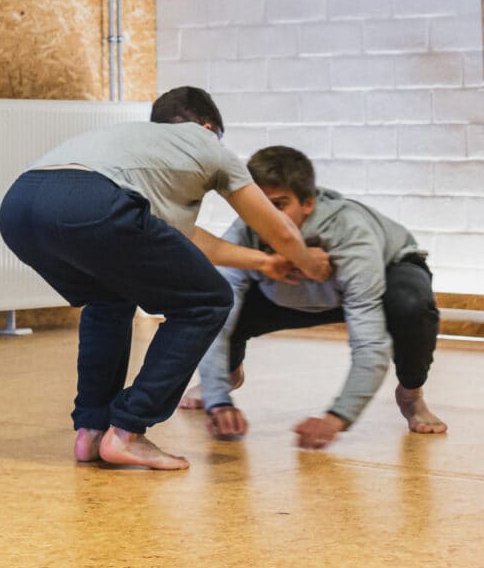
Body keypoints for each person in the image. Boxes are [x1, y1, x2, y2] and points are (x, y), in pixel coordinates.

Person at [0, 87, 331, 470]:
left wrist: (264, 263)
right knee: (208, 301)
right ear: (208, 127)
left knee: (109, 299)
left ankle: (91, 432)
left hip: (18, 207)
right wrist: (311, 264)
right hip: (92, 202)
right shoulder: (207, 144)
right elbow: (280, 231)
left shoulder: (133, 144)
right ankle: (127, 430)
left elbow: (186, 241)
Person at [188, 145, 445, 448]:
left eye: (279, 205)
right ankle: (228, 376)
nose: (266, 217)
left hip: (381, 276)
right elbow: (216, 317)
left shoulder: (350, 234)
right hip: (291, 292)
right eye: (259, 205)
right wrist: (218, 400)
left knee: (411, 305)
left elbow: (369, 344)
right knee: (216, 303)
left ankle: (411, 396)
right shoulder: (244, 231)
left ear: (308, 203)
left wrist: (338, 417)